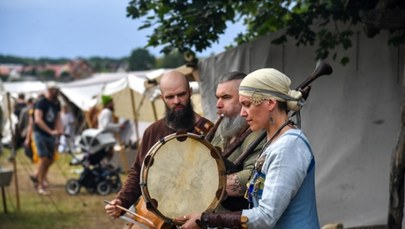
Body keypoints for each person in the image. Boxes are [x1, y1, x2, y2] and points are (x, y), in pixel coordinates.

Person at [177, 68, 320, 228]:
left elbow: (265, 216)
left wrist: (206, 219)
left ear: (270, 103)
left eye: (247, 104)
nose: (243, 113)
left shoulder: (289, 146)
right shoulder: (274, 142)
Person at [105, 71, 213, 228]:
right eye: (170, 97)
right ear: (162, 97)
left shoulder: (208, 131)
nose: (176, 101)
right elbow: (138, 172)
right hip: (154, 217)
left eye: (181, 94)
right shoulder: (153, 131)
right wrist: (121, 201)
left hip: (195, 218)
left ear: (190, 92)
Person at [211, 71, 265, 212]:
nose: (218, 104)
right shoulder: (220, 137)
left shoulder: (257, 134)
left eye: (226, 97)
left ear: (244, 99)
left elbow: (253, 176)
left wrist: (206, 185)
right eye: (217, 98)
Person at [31, 82, 63, 195]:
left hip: (50, 134)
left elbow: (58, 118)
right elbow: (38, 119)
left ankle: (37, 176)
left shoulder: (56, 103)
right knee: (44, 158)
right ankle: (40, 185)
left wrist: (60, 130)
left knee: (50, 159)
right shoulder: (41, 102)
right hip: (40, 133)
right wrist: (51, 131)